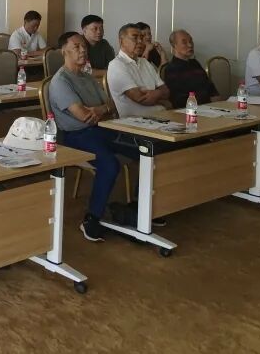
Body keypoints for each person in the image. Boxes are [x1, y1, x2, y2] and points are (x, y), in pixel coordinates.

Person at [47, 32, 121, 242]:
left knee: (144, 148)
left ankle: (137, 207)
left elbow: (112, 106)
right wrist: (101, 110)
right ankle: (92, 219)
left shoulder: (87, 77)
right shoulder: (61, 81)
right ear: (64, 51)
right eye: (77, 47)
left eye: (84, 47)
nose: (82, 51)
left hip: (102, 129)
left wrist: (100, 109)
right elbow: (83, 116)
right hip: (76, 137)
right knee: (110, 164)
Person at [107, 23, 170, 118]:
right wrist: (162, 100)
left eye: (141, 37)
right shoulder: (116, 65)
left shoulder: (145, 62)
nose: (140, 41)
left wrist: (156, 93)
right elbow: (141, 98)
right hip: (136, 122)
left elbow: (166, 91)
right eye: (135, 38)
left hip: (160, 117)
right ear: (121, 41)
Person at [163, 29, 218, 108]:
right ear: (174, 46)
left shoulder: (195, 63)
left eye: (191, 41)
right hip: (190, 110)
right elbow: (178, 100)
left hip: (209, 107)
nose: (190, 45)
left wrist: (217, 104)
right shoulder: (171, 69)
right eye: (184, 42)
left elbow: (211, 89)